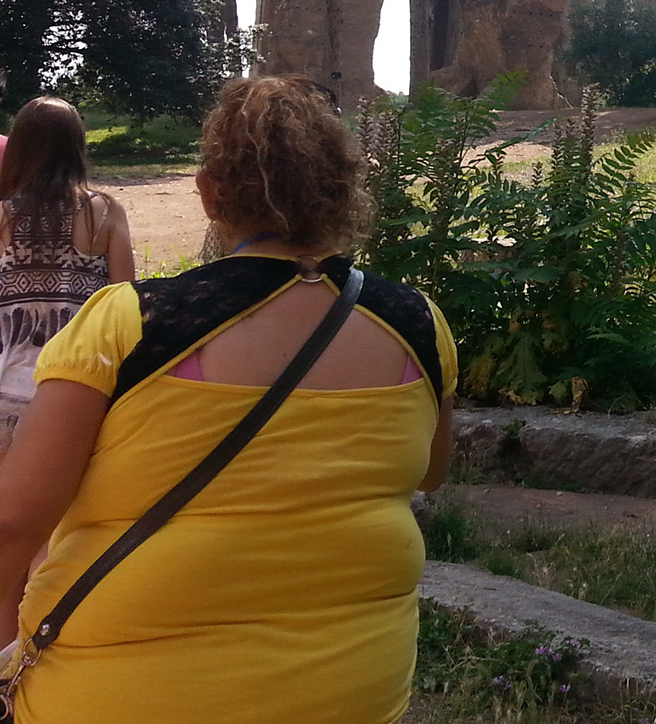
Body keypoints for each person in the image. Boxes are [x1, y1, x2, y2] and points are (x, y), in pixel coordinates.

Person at [0, 77, 456, 724]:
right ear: (344, 187)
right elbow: (431, 474)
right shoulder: (419, 324)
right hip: (352, 694)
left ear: (210, 192)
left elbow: (12, 524)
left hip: (120, 694)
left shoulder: (127, 324)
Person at [0, 98, 134, 456]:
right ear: (76, 146)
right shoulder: (103, 212)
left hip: (7, 383)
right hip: (79, 386)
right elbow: (126, 300)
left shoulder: (3, 213)